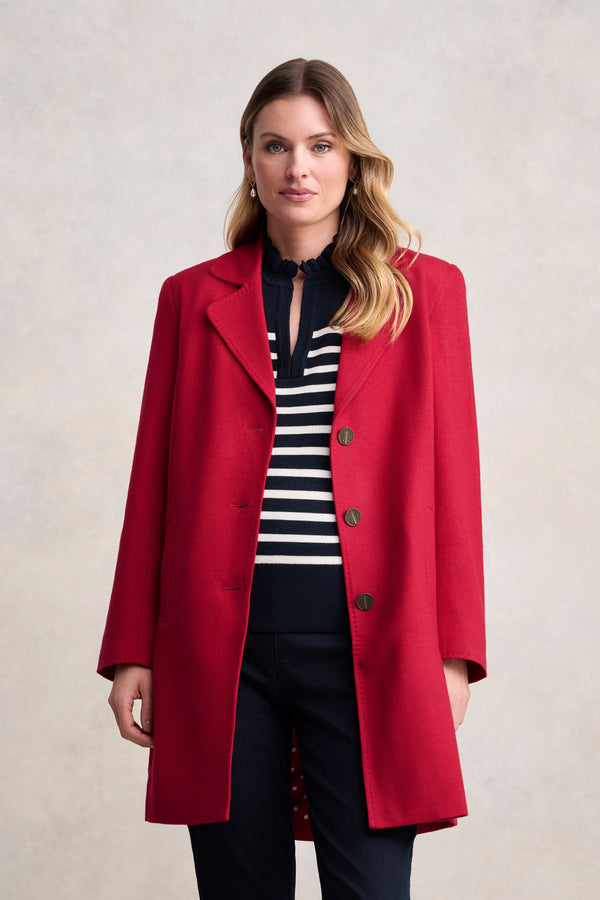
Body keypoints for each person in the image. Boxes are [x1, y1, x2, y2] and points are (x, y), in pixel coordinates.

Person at [98, 58, 486, 900]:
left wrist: (454, 655)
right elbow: (152, 484)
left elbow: (456, 486)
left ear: (353, 160)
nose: (297, 168)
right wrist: (133, 648)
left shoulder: (425, 294)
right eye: (276, 146)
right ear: (249, 159)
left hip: (372, 646)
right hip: (220, 649)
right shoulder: (190, 298)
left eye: (320, 145)